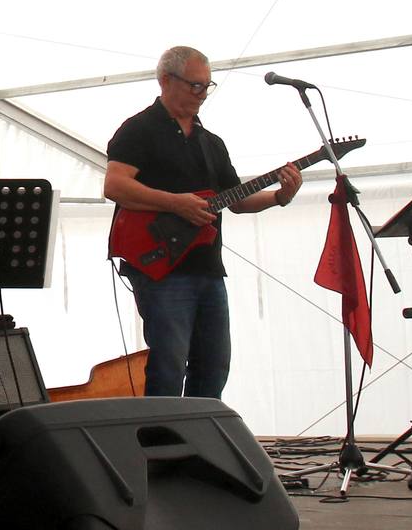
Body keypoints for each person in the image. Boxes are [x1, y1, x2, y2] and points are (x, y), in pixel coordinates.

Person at [104, 46, 301, 400]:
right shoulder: (139, 129)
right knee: (169, 365)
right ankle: (160, 450)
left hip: (207, 267)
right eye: (195, 86)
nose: (201, 95)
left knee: (214, 366)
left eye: (206, 87)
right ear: (165, 80)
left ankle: (198, 448)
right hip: (160, 266)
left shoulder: (211, 143)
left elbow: (236, 200)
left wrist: (278, 196)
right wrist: (176, 204)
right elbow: (115, 185)